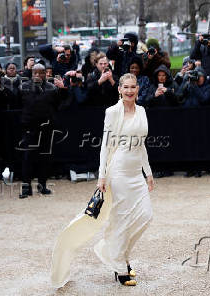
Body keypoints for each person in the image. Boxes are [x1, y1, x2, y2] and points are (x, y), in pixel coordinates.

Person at [51, 73, 154, 288]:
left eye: (133, 87)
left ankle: (116, 253)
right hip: (118, 172)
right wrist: (102, 176)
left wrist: (148, 172)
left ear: (138, 89)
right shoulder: (112, 112)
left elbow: (142, 145)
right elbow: (106, 146)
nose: (129, 91)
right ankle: (120, 266)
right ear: (119, 89)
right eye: (125, 87)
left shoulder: (142, 111)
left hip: (136, 173)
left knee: (145, 216)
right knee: (122, 219)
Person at [18, 63, 66, 198]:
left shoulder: (52, 89)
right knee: (27, 158)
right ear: (31, 73)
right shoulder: (23, 87)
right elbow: (19, 104)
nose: (38, 76)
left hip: (46, 128)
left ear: (46, 74)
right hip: (29, 128)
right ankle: (26, 188)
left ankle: (42, 186)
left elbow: (57, 105)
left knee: (44, 158)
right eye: (35, 73)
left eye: (41, 73)